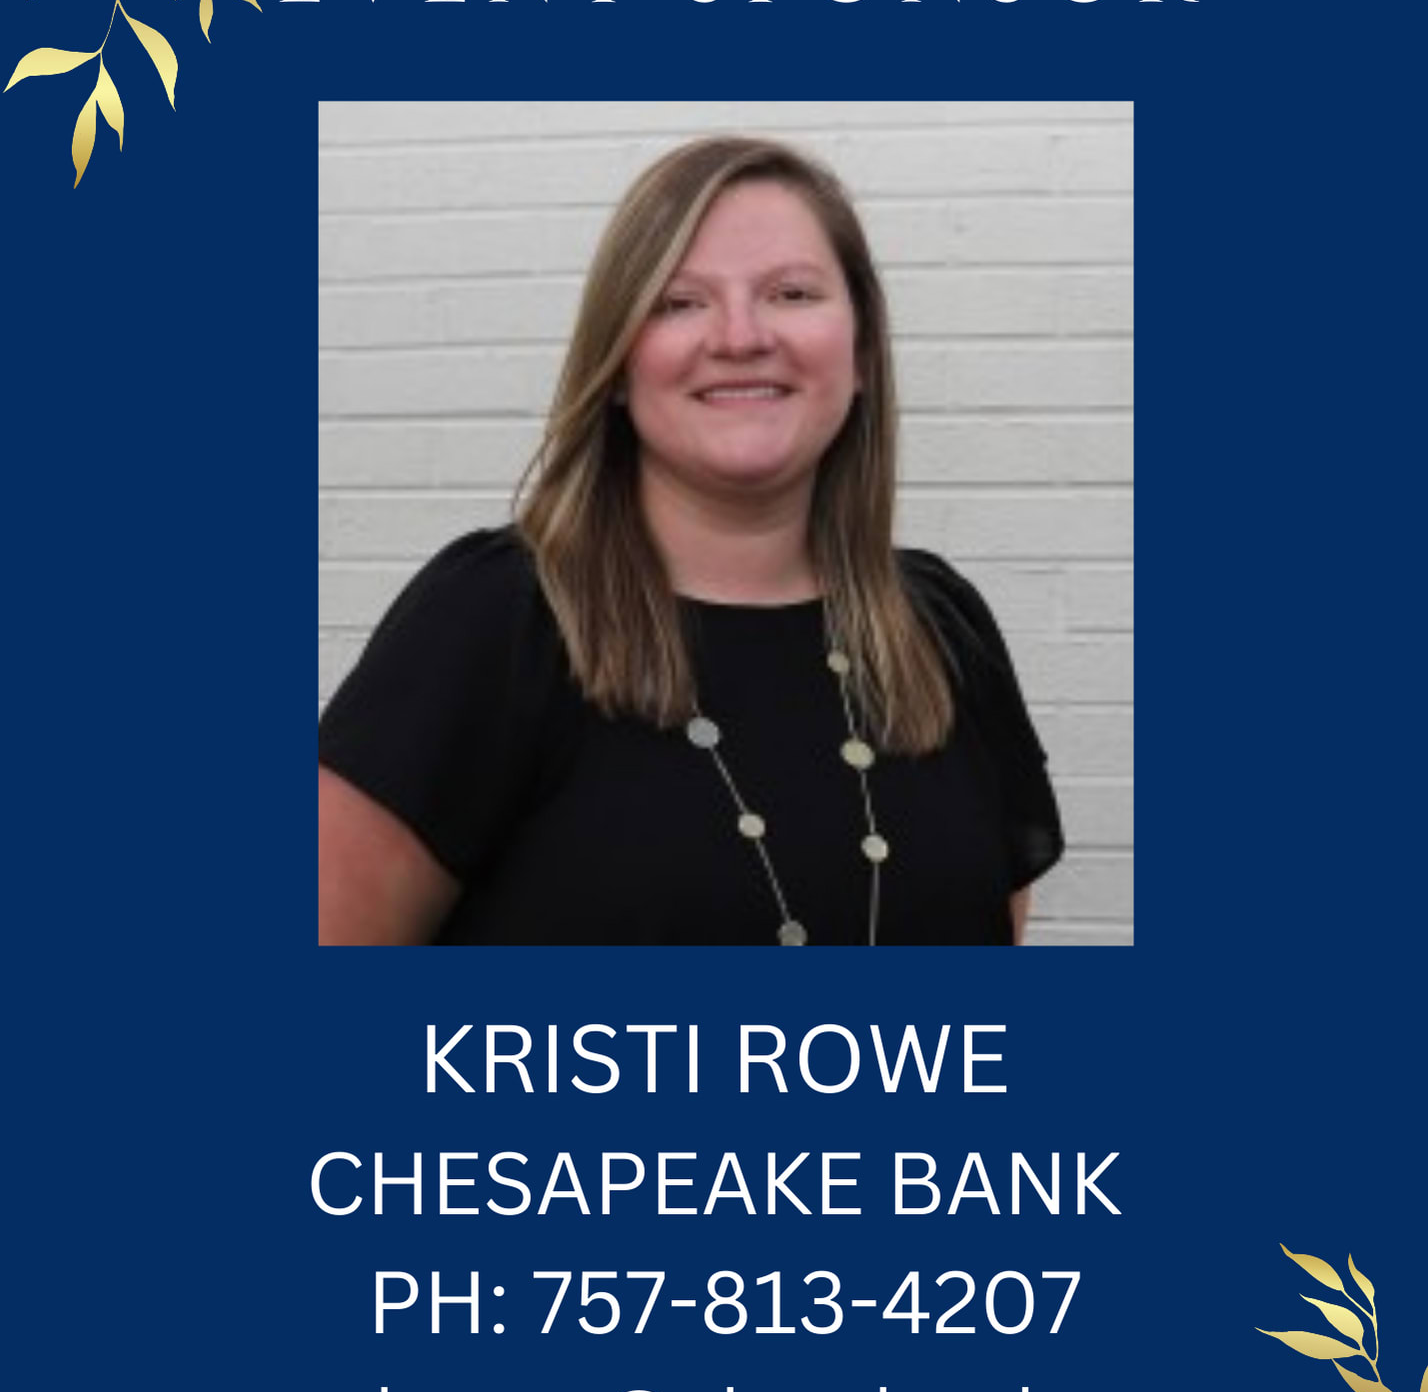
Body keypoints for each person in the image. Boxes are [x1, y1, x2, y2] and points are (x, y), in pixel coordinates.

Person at [318, 135, 1062, 944]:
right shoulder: (495, 622)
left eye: (791, 293)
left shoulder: (941, 629)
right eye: (678, 302)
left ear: (862, 356)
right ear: (617, 364)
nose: (740, 337)